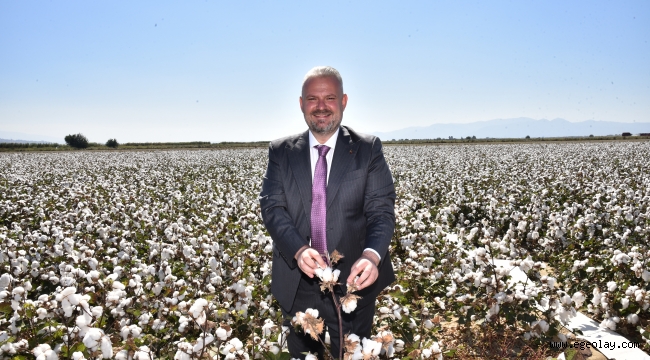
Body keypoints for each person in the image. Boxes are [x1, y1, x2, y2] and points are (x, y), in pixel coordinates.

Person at [259, 66, 396, 359]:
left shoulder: (367, 149)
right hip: (298, 281)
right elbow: (272, 207)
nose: (321, 107)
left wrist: (372, 256)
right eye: (312, 99)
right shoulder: (281, 152)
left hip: (353, 283)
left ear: (343, 101)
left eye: (329, 98)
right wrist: (297, 250)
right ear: (301, 104)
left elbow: (381, 211)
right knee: (303, 355)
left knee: (354, 352)